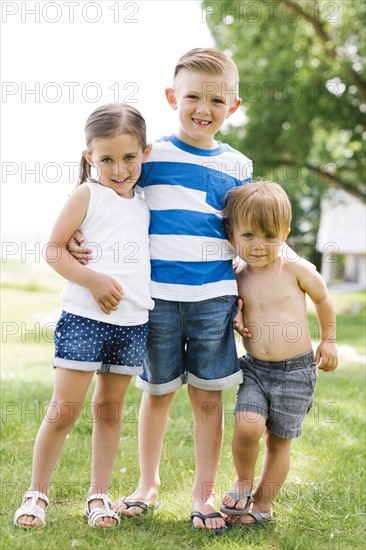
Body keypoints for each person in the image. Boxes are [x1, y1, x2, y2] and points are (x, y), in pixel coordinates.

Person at [69, 48, 253, 533]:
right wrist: (70, 233)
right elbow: (109, 191)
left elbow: (251, 236)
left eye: (216, 100)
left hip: (214, 297)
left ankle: (203, 492)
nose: (202, 108)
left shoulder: (239, 167)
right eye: (192, 96)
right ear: (173, 97)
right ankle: (147, 484)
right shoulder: (152, 155)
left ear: (232, 107)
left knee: (208, 398)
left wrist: (250, 295)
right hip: (158, 297)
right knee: (157, 392)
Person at [13, 103, 153, 529]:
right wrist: (92, 280)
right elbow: (54, 249)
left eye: (129, 157)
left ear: (144, 153)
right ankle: (37, 492)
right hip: (84, 320)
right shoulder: (87, 195)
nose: (119, 168)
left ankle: (99, 495)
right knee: (64, 410)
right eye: (107, 159)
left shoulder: (147, 202)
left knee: (110, 411)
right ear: (90, 157)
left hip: (132, 324)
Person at [220, 180, 338, 526]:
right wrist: (236, 314)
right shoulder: (236, 275)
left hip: (296, 371)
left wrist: (328, 340)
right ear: (233, 235)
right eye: (249, 236)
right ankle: (243, 481)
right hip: (256, 368)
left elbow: (323, 298)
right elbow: (231, 305)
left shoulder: (294, 268)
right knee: (246, 425)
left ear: (284, 233)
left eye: (270, 236)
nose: (259, 246)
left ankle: (262, 505)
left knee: (279, 443)